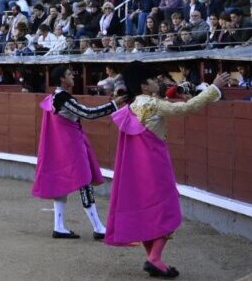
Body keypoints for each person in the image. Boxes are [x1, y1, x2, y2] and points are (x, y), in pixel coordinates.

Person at [106, 64, 225, 278]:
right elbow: (186, 108)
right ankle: (155, 258)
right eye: (153, 79)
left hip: (138, 169)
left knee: (145, 211)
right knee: (168, 209)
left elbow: (172, 103)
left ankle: (153, 258)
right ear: (143, 86)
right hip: (156, 165)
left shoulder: (133, 106)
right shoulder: (153, 104)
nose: (157, 82)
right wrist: (213, 88)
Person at [31, 66, 123, 240]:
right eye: (69, 74)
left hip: (63, 147)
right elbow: (87, 113)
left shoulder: (54, 97)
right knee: (85, 182)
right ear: (62, 79)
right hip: (72, 147)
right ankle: (98, 227)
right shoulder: (63, 98)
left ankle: (59, 227)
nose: (73, 76)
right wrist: (114, 104)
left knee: (61, 184)